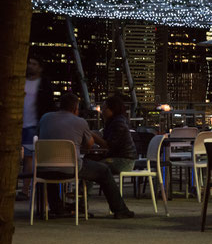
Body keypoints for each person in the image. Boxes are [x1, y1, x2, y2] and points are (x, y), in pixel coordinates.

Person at [38, 93, 134, 219]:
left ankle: (59, 207)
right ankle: (119, 209)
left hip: (43, 168)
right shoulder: (80, 122)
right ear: (75, 108)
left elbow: (38, 138)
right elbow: (89, 145)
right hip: (71, 168)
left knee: (53, 169)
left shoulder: (45, 118)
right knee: (102, 171)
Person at [17, 55, 55, 201]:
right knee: (22, 158)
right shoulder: (22, 81)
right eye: (29, 63)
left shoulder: (44, 84)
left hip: (34, 124)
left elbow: (48, 104)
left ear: (40, 67)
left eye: (34, 64)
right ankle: (22, 189)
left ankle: (25, 190)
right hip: (20, 123)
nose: (30, 66)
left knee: (29, 158)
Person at [93, 95, 138, 174]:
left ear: (112, 109)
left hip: (123, 161)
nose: (102, 111)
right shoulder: (113, 122)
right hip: (119, 158)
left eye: (104, 108)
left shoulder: (118, 123)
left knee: (93, 166)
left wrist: (92, 136)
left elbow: (108, 145)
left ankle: (109, 186)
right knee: (89, 160)